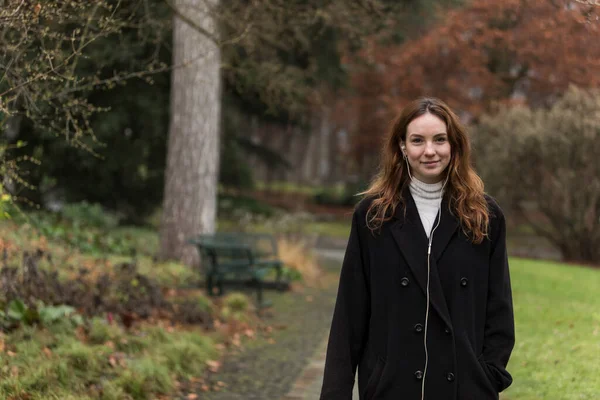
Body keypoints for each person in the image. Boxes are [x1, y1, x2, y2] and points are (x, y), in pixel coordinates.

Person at [319, 97, 515, 400]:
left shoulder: (484, 216)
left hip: (464, 389)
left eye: (439, 139)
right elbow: (350, 314)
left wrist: (488, 374)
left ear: (455, 145)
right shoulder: (373, 216)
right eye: (417, 140)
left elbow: (499, 308)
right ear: (402, 146)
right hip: (390, 387)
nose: (429, 151)